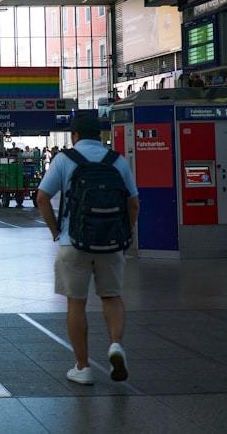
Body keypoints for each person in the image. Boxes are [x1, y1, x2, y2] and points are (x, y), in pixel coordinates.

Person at [35, 113, 140, 386]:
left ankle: (83, 367)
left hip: (74, 242)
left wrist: (55, 231)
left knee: (76, 304)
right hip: (112, 242)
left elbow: (42, 198)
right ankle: (115, 345)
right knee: (112, 297)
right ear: (100, 134)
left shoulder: (63, 160)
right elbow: (134, 204)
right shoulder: (117, 160)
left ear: (75, 135)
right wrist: (125, 233)